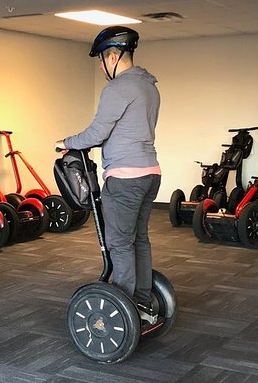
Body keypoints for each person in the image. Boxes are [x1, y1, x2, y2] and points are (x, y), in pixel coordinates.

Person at [55, 26, 161, 323]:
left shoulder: (118, 88)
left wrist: (67, 142)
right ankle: (142, 303)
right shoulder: (149, 86)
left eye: (101, 60)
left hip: (126, 177)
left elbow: (98, 131)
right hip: (151, 173)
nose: (101, 67)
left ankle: (124, 310)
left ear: (113, 55)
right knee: (139, 239)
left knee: (120, 243)